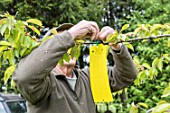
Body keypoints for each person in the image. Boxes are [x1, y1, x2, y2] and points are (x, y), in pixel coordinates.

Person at [13, 20, 136, 113]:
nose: (69, 47)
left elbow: (127, 76)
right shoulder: (44, 83)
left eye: (74, 42)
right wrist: (70, 35)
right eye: (65, 43)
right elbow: (24, 77)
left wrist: (116, 45)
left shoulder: (89, 77)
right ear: (51, 51)